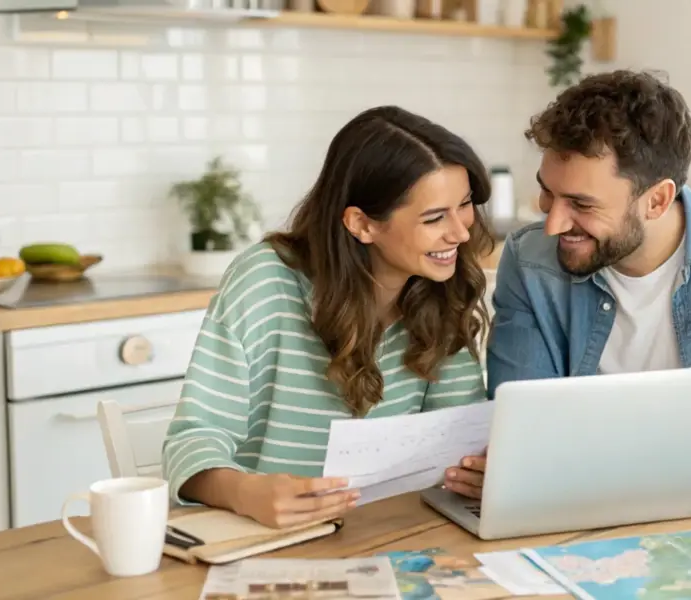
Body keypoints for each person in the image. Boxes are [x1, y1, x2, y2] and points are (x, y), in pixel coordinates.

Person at [443, 70, 691, 499]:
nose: (553, 223)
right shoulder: (529, 261)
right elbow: (525, 429)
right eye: (548, 193)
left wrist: (669, 454)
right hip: (572, 508)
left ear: (657, 199)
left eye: (581, 204)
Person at [163, 105, 495, 528]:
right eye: (434, 218)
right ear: (362, 224)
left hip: (393, 536)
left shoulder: (442, 284)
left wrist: (479, 471)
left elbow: (457, 436)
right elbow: (192, 438)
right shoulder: (266, 282)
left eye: (464, 205)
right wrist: (247, 492)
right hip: (269, 542)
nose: (461, 232)